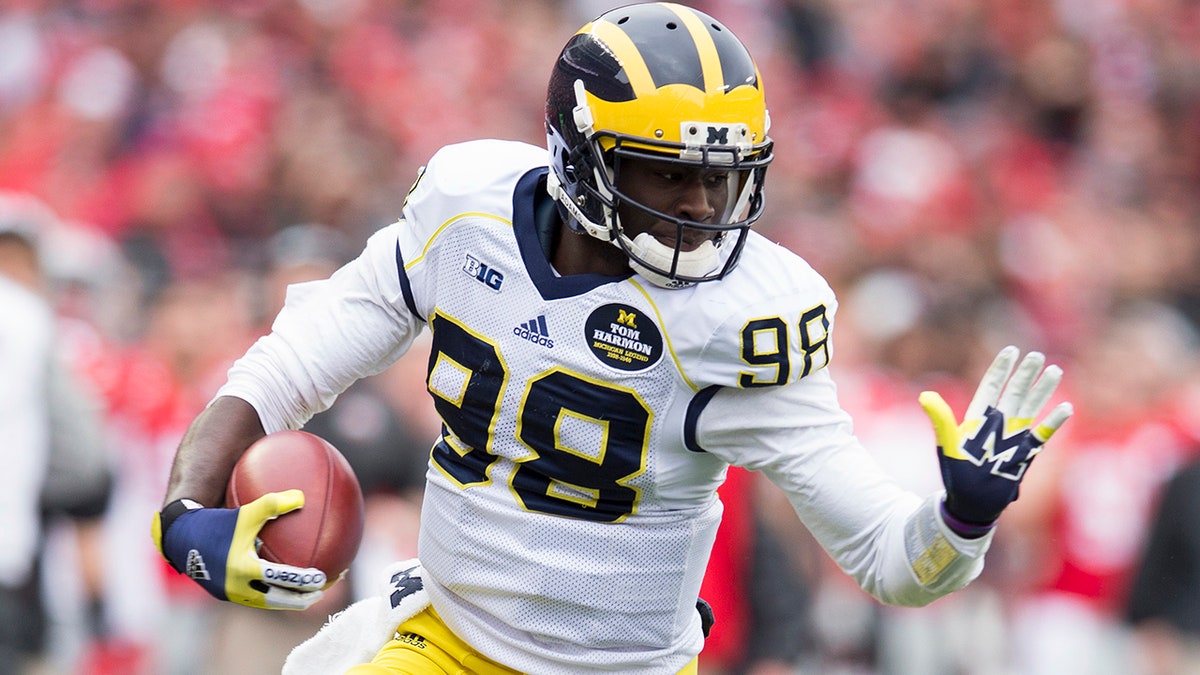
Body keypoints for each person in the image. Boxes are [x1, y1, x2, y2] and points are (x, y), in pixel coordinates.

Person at [151, 3, 1074, 673]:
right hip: (448, 645)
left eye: (721, 177)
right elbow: (293, 361)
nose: (702, 206)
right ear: (576, 158)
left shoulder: (744, 317)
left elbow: (888, 558)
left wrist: (960, 520)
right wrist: (184, 507)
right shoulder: (465, 215)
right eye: (667, 173)